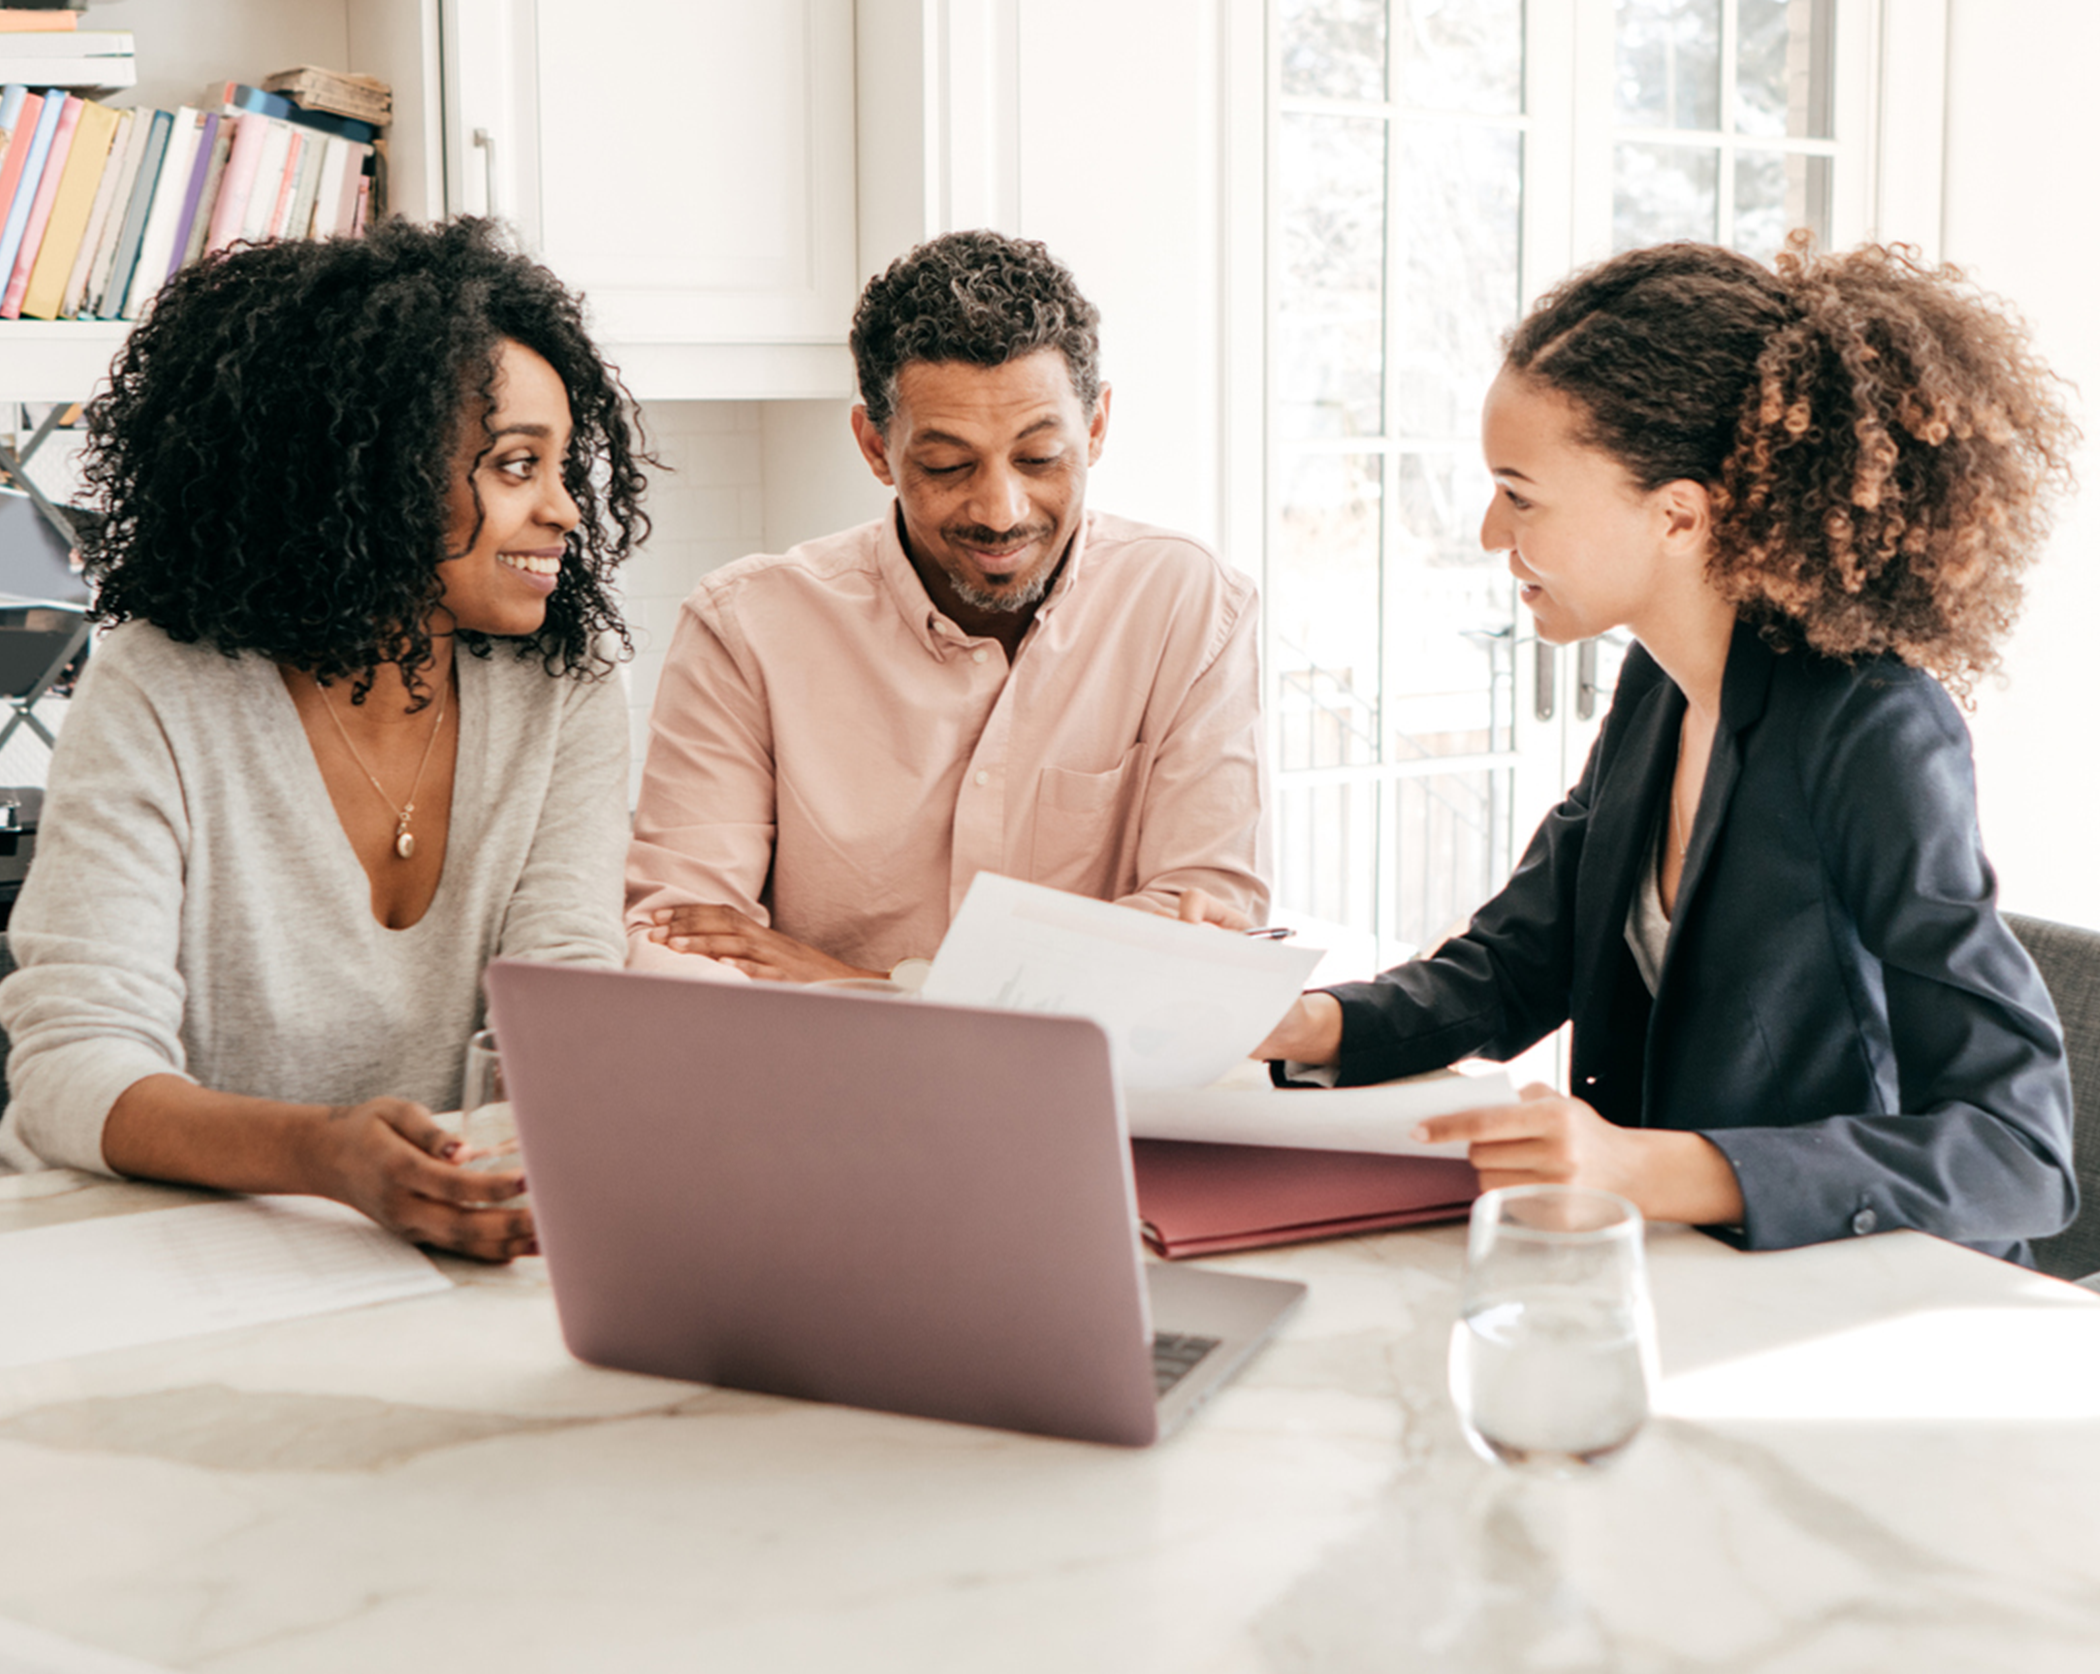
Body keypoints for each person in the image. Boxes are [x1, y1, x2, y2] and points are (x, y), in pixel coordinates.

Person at [1257, 238, 2077, 1259]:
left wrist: (1642, 1169)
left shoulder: (1871, 728)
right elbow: (1518, 963)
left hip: (1856, 1299)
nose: (1485, 532)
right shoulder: (1659, 683)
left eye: (1520, 493)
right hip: (1687, 1278)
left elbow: (2019, 1154)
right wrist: (1298, 1024)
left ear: (1679, 514)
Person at [0, 217, 650, 1260]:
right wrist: (324, 1155)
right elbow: (74, 1067)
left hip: (442, 1240)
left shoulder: (565, 685)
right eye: (518, 465)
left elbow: (563, 1001)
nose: (566, 510)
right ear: (374, 471)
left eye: (563, 465)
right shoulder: (166, 683)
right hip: (171, 1255)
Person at [626, 228, 1268, 983]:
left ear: (1094, 427)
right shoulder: (744, 630)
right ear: (875, 446)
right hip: (821, 1095)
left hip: (1089, 1096)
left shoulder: (1192, 608)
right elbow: (680, 947)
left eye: (1038, 458)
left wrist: (864, 986)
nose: (1001, 510)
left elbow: (1208, 926)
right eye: (946, 464)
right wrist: (1068, 968)